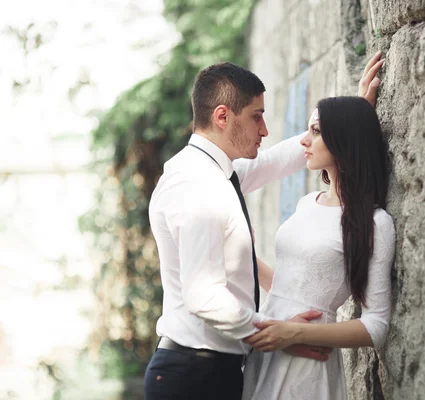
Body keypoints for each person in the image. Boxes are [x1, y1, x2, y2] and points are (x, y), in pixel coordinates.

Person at [143, 53, 384, 400]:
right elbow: (204, 296)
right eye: (257, 117)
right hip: (194, 375)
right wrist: (277, 334)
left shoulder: (216, 174)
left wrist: (347, 123)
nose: (265, 130)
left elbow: (275, 161)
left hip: (210, 370)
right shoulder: (197, 185)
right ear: (223, 116)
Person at [241, 95, 396, 400]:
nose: (304, 141)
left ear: (343, 139)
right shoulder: (306, 203)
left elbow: (376, 324)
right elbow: (288, 285)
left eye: (315, 131)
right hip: (266, 345)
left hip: (307, 358)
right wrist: (244, 252)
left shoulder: (375, 223)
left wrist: (295, 333)